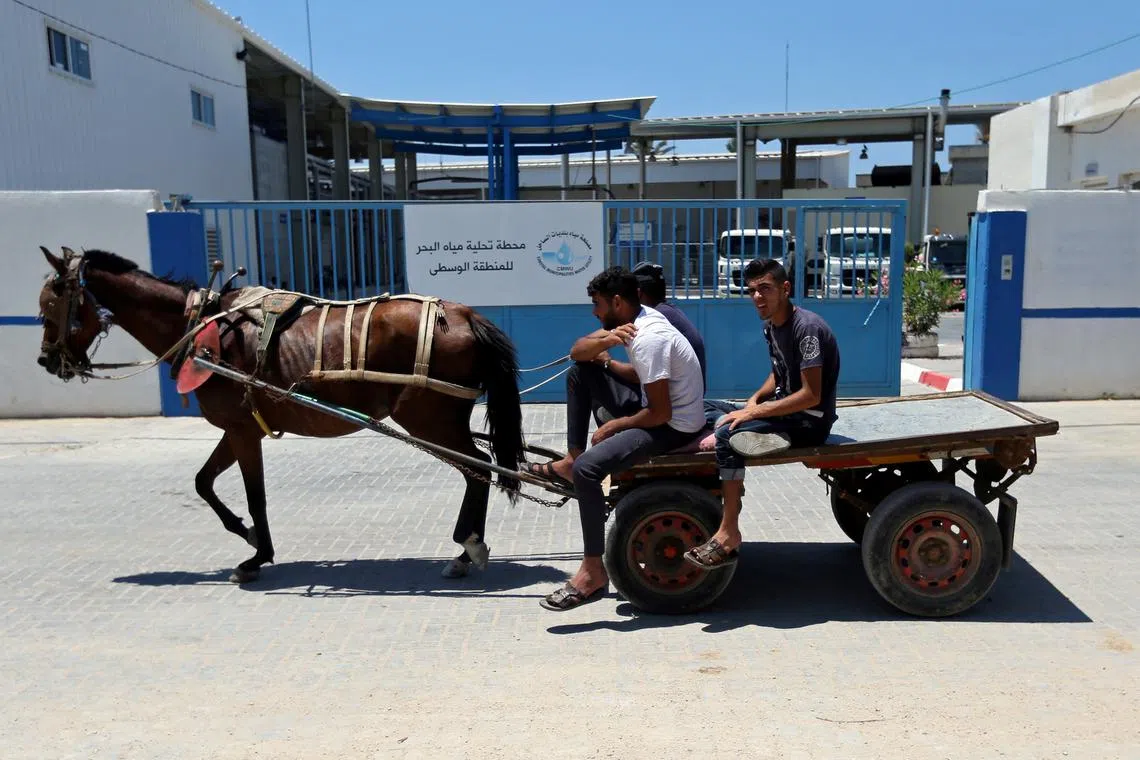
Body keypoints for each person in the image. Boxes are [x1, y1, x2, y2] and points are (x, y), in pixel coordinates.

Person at [527, 266, 707, 611]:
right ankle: (572, 456)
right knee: (581, 372)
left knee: (589, 472)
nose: (594, 312)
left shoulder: (650, 337)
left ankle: (593, 572)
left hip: (673, 426)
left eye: (597, 304)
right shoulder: (632, 322)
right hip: (652, 408)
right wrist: (608, 342)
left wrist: (617, 425)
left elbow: (660, 414)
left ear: (618, 302)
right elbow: (577, 351)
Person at [683, 258, 841, 570]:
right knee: (705, 407)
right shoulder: (772, 325)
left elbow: (812, 394)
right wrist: (755, 399)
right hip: (784, 410)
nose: (757, 297)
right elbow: (779, 372)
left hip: (809, 421)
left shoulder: (806, 328)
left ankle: (729, 532)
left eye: (765, 289)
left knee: (727, 435)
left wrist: (756, 411)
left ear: (785, 288)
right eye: (752, 290)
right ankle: (757, 431)